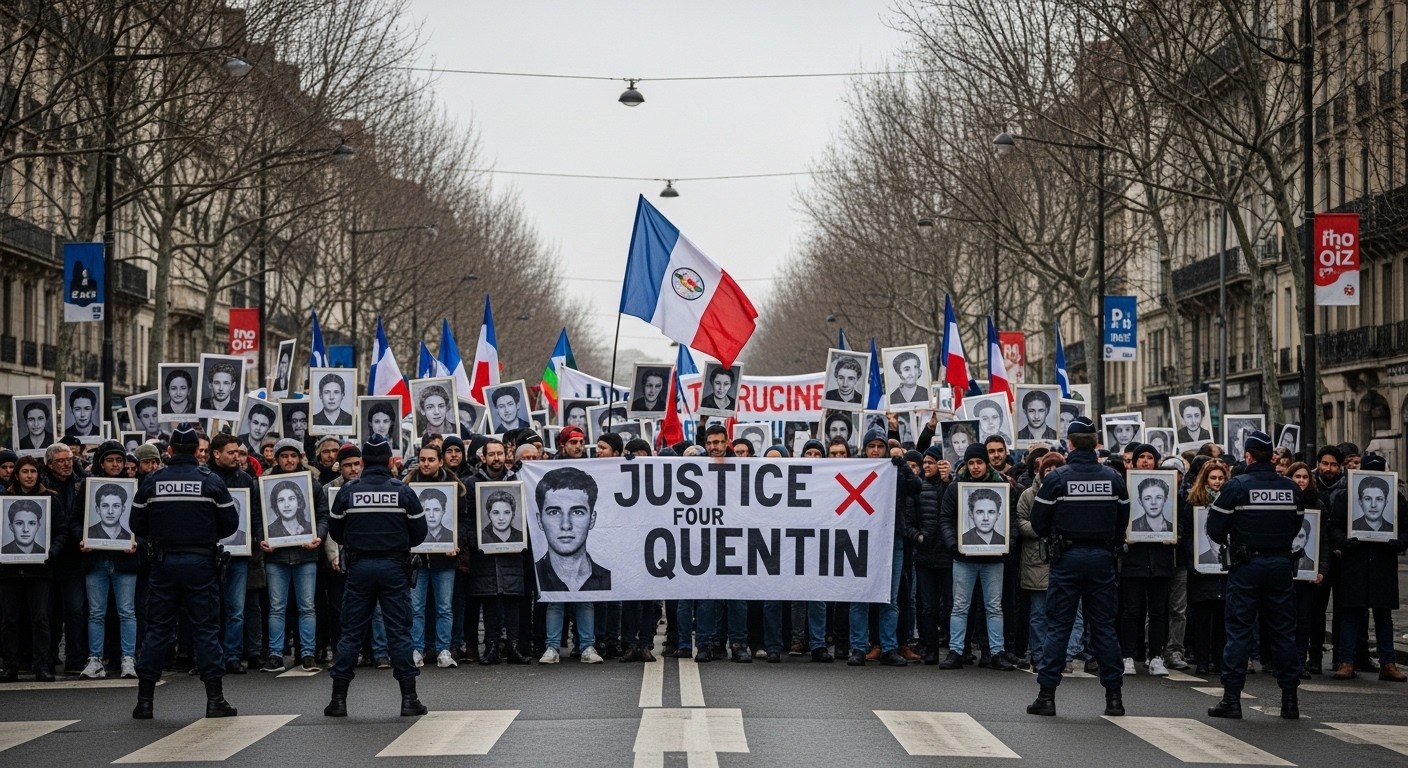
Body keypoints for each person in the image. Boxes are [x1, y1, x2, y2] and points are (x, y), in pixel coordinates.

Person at [129, 424, 240, 720]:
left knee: (157, 630)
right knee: (206, 631)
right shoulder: (211, 481)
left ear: (169, 451)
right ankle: (215, 700)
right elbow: (230, 524)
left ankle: (144, 702)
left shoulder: (153, 481)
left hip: (163, 564)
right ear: (197, 452)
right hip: (201, 563)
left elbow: (136, 524)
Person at [1026, 416, 1130, 718]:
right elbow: (1122, 521)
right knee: (1104, 628)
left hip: (1067, 559)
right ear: (1095, 443)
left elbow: (1038, 522)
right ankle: (1114, 698)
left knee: (1058, 627)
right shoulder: (1114, 479)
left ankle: (1046, 697)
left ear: (1070, 444)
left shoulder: (1058, 479)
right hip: (1102, 558)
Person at [324, 433, 429, 718]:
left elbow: (335, 532)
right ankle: (409, 699)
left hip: (359, 569)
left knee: (351, 633)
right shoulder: (402, 491)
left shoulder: (348, 491)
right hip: (394, 568)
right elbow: (420, 533)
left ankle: (338, 700)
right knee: (399, 633)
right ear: (388, 460)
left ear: (363, 462)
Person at [1205, 430, 1304, 720]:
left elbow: (1214, 529)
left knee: (1239, 632)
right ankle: (1290, 700)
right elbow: (1297, 524)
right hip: (1281, 564)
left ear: (1248, 456)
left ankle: (1231, 700)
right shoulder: (1290, 488)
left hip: (1247, 566)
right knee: (1283, 633)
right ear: (1271, 456)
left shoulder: (1237, 486)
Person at [1327, 453, 1407, 682]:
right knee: (1351, 613)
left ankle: (1388, 663)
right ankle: (1346, 661)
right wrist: (1344, 541)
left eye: (1379, 499)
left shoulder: (1398, 500)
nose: (1373, 505)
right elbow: (1333, 527)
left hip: (1383, 564)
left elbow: (1405, 529)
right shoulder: (1346, 497)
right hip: (1355, 563)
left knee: (1383, 615)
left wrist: (1398, 543)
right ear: (1360, 500)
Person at [939, 443, 1016, 671]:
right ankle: (956, 651)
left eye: (979, 462)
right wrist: (953, 544)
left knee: (994, 607)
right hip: (964, 558)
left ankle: (996, 652)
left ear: (986, 463)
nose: (975, 467)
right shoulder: (956, 488)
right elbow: (945, 518)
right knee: (960, 606)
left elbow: (1011, 518)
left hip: (994, 558)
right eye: (971, 463)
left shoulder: (1001, 485)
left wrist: (1009, 542)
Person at [260, 439, 329, 673]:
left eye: (293, 456)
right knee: (276, 608)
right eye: (283, 456)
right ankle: (275, 655)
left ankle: (308, 654)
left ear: (300, 458)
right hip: (276, 557)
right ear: (276, 459)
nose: (289, 460)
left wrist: (318, 535)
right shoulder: (264, 484)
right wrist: (261, 538)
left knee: (307, 607)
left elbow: (323, 515)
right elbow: (257, 517)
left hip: (306, 555)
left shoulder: (312, 484)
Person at [404, 443, 467, 670]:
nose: (426, 464)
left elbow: (463, 522)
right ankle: (416, 650)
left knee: (444, 607)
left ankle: (443, 651)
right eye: (422, 459)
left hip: (445, 558)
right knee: (416, 608)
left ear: (440, 461)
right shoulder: (407, 487)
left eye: (431, 459)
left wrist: (456, 543)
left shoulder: (455, 488)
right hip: (417, 559)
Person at [0, 471, 65, 682]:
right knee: (9, 620)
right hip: (8, 572)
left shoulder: (51, 500)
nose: (29, 476)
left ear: (38, 525)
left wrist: (52, 552)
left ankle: (42, 666)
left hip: (40, 571)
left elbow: (61, 532)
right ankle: (11, 666)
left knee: (41, 619)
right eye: (25, 472)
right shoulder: (3, 500)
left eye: (33, 471)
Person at [207, 433, 262, 674]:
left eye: (239, 453)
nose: (237, 457)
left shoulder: (246, 479)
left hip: (240, 553)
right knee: (210, 607)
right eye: (231, 453)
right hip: (210, 553)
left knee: (236, 609)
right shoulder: (205, 478)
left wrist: (257, 537)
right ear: (216, 454)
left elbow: (255, 514)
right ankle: (210, 655)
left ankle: (232, 655)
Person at [534, 466, 611, 591]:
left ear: (592, 519)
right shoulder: (531, 579)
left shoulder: (610, 580)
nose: (566, 525)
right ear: (539, 520)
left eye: (577, 512)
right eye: (554, 512)